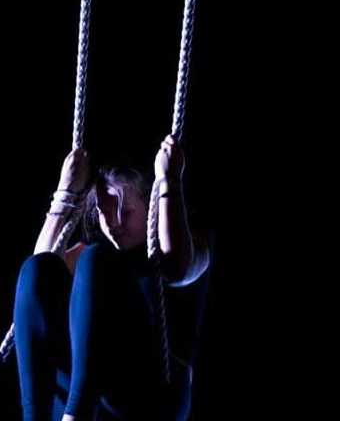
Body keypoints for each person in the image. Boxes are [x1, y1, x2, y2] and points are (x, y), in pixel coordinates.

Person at [11, 134, 210, 420]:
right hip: (95, 400)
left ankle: (77, 413)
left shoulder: (187, 244)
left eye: (126, 212)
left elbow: (178, 270)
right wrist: (65, 193)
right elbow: (37, 280)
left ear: (151, 204)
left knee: (96, 261)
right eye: (104, 212)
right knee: (37, 268)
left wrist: (169, 182)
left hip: (149, 398)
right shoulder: (93, 256)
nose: (113, 223)